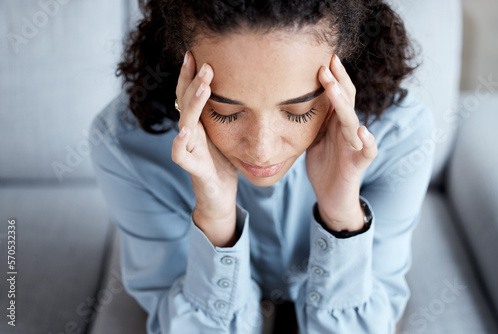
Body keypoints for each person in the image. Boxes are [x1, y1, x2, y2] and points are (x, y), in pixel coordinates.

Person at [90, 0, 435, 333]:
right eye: (226, 112)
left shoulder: (399, 135)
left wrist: (342, 218)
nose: (261, 151)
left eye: (299, 112)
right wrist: (216, 220)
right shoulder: (124, 145)